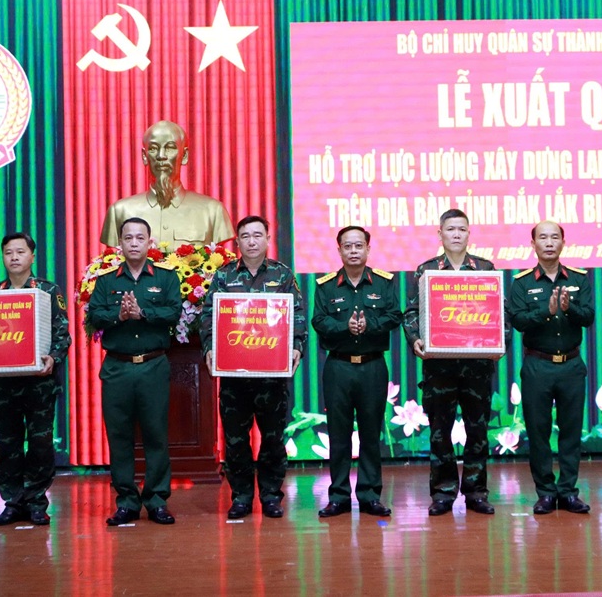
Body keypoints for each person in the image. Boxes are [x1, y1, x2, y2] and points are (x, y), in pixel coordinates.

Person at [199, 215, 307, 519]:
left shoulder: (282, 275)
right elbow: (208, 317)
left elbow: (297, 314)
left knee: (273, 439)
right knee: (236, 440)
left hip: (271, 376)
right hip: (235, 377)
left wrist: (296, 346)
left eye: (258, 235)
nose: (252, 241)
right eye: (245, 236)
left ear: (268, 239)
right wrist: (209, 348)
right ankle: (241, 497)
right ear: (237, 242)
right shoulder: (223, 276)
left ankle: (271, 496)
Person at [403, 208, 501, 517]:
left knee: (478, 432)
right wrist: (415, 339)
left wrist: (500, 343)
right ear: (440, 234)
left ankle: (476, 492)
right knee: (439, 432)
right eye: (450, 229)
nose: (456, 234)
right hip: (439, 368)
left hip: (477, 367)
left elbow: (500, 312)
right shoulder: (426, 270)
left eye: (461, 229)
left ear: (469, 233)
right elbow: (411, 313)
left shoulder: (485, 268)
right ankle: (443, 493)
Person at [86, 217, 182, 526]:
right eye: (128, 238)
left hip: (153, 365)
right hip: (118, 368)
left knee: (156, 434)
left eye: (140, 237)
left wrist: (144, 313)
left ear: (150, 242)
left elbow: (174, 311)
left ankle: (156, 500)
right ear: (120, 244)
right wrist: (120, 315)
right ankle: (126, 501)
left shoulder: (166, 277)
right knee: (119, 436)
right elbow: (95, 316)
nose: (134, 243)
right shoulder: (106, 281)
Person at [312, 226, 402, 518]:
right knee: (338, 435)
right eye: (347, 246)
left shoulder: (384, 282)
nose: (353, 251)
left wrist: (369, 325)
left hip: (372, 367)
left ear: (367, 249)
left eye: (358, 245)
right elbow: (318, 320)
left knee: (370, 434)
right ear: (339, 250)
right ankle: (338, 497)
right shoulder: (326, 285)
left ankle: (369, 496)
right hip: (338, 367)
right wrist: (344, 327)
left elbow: (394, 315)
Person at [506, 220, 595, 515]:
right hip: (537, 366)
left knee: (571, 432)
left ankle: (568, 492)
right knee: (538, 432)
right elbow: (518, 321)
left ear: (563, 243)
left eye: (554, 237)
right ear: (533, 244)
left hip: (571, 366)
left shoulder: (579, 279)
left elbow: (588, 317)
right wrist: (548, 311)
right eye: (542, 238)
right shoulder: (522, 283)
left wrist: (569, 309)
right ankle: (545, 492)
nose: (548, 242)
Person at [0, 232, 71, 527]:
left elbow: (62, 333)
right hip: (4, 384)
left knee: (40, 444)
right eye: (8, 252)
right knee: (7, 444)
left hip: (39, 383)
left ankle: (36, 502)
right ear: (3, 257)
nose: (14, 257)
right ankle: (13, 503)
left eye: (20, 252)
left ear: (32, 257)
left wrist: (53, 357)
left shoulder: (48, 290)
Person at [99, 120, 234, 249]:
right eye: (153, 148)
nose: (161, 156)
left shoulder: (212, 211)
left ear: (184, 155)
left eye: (170, 148)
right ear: (144, 156)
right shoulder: (120, 211)